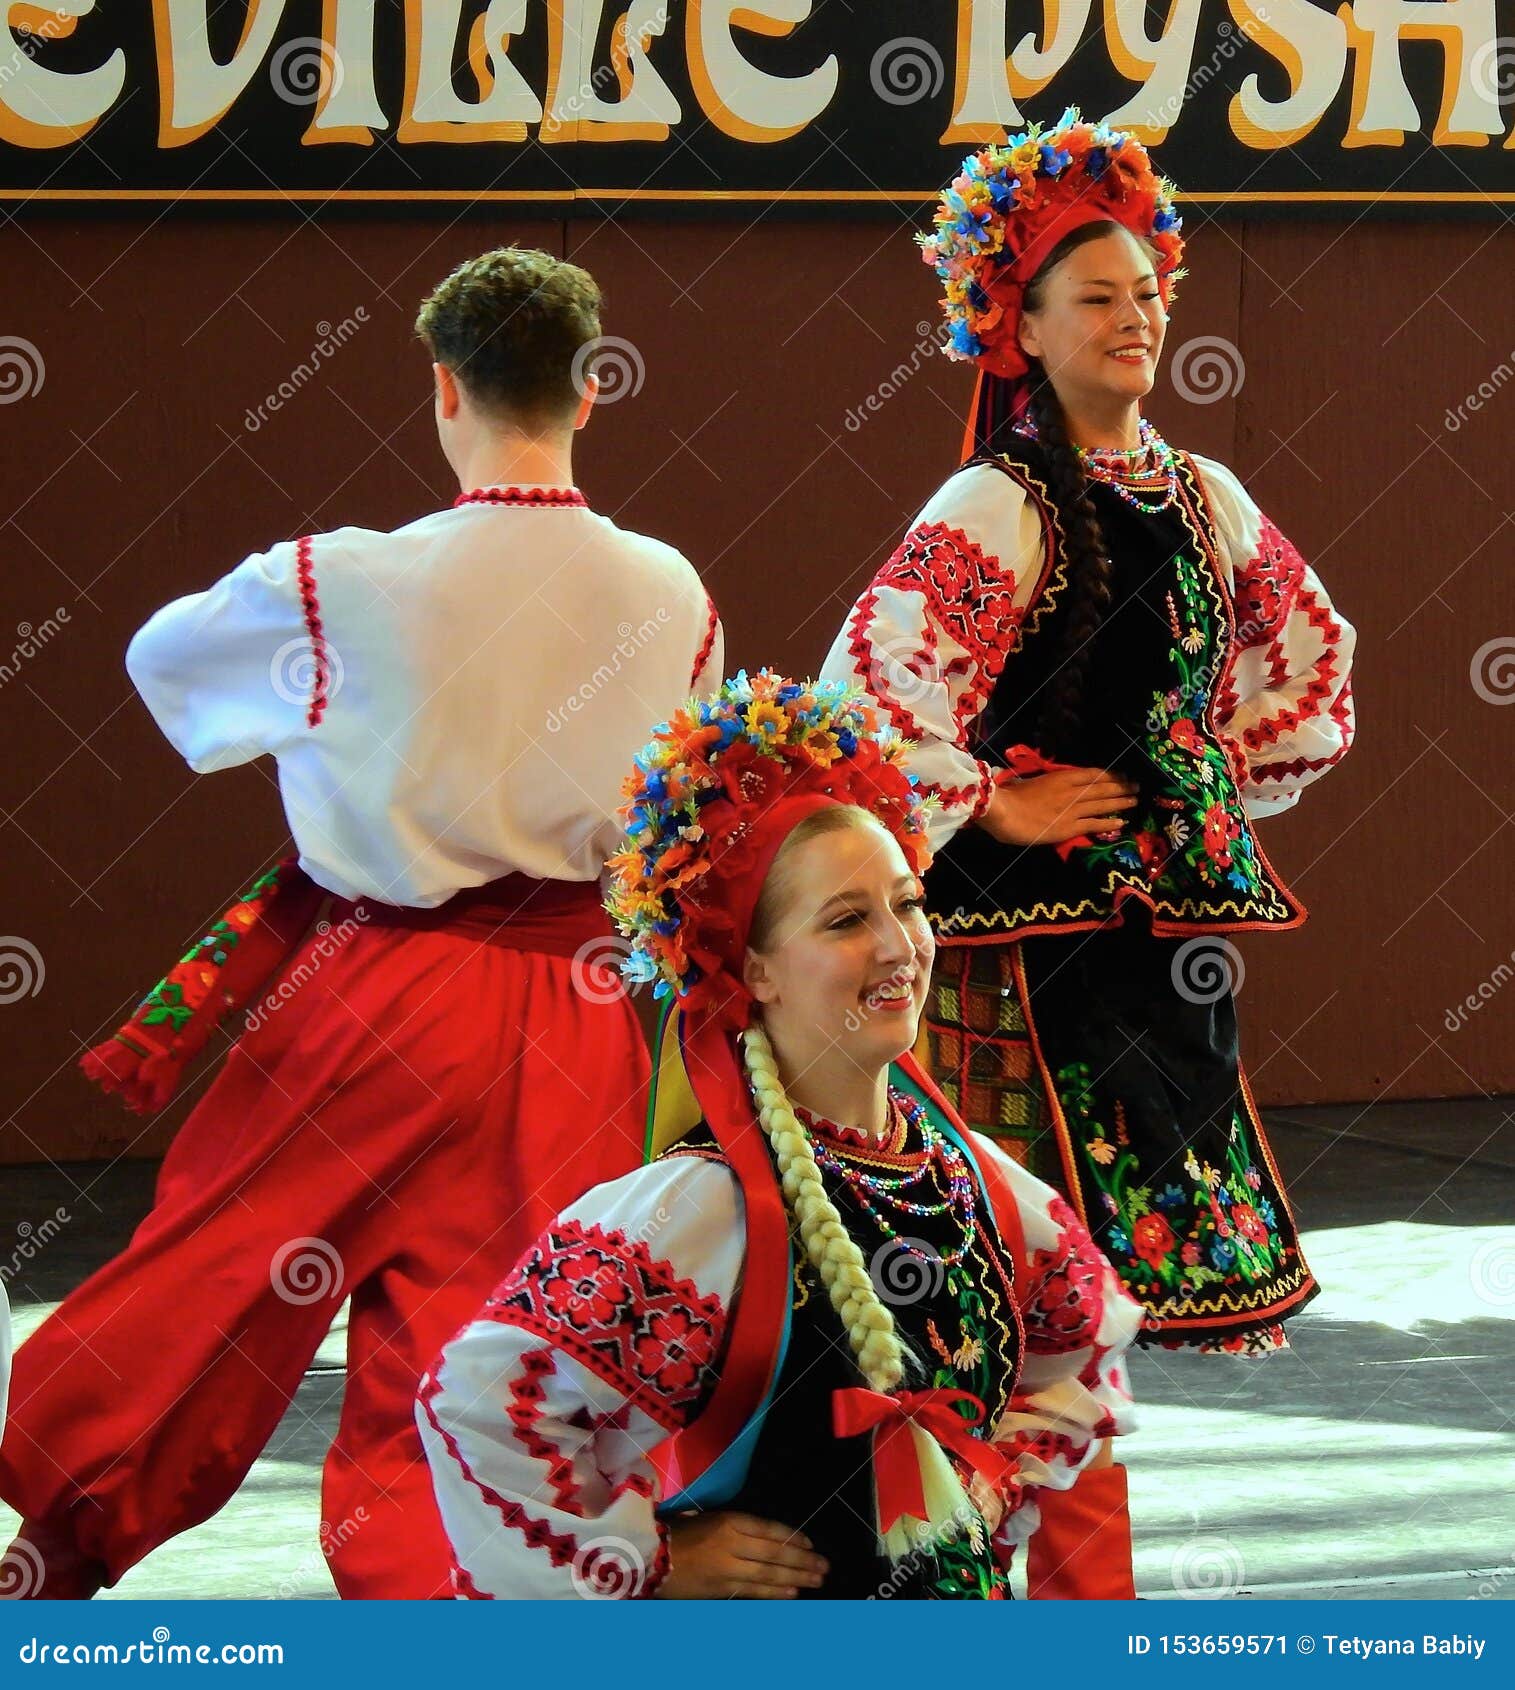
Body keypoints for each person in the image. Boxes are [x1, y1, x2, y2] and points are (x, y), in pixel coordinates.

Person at [0, 246, 723, 1600]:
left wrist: (343, 744)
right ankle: (464, 1595)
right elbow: (680, 805)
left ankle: (55, 1541)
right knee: (502, 1330)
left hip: (372, 986)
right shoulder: (672, 593)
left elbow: (166, 668)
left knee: (215, 1275)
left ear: (442, 387)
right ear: (589, 391)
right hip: (575, 1008)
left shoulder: (344, 580)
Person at [819, 109, 1356, 1597]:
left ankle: (1055, 1600)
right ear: (1021, 325)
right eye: (1096, 296)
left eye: (1144, 292)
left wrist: (1199, 782)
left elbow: (1311, 670)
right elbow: (863, 704)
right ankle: (997, 1588)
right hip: (1008, 966)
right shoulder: (994, 501)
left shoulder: (1200, 499)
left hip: (1143, 965)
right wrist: (987, 799)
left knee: (1091, 1299)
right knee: (1016, 1289)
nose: (1133, 319)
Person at [417, 672, 1140, 1599]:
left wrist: (993, 1479)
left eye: (907, 903)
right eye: (846, 920)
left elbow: (1077, 1349)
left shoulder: (973, 1177)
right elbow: (478, 1407)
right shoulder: (704, 1208)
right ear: (751, 966)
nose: (897, 946)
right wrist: (649, 1563)